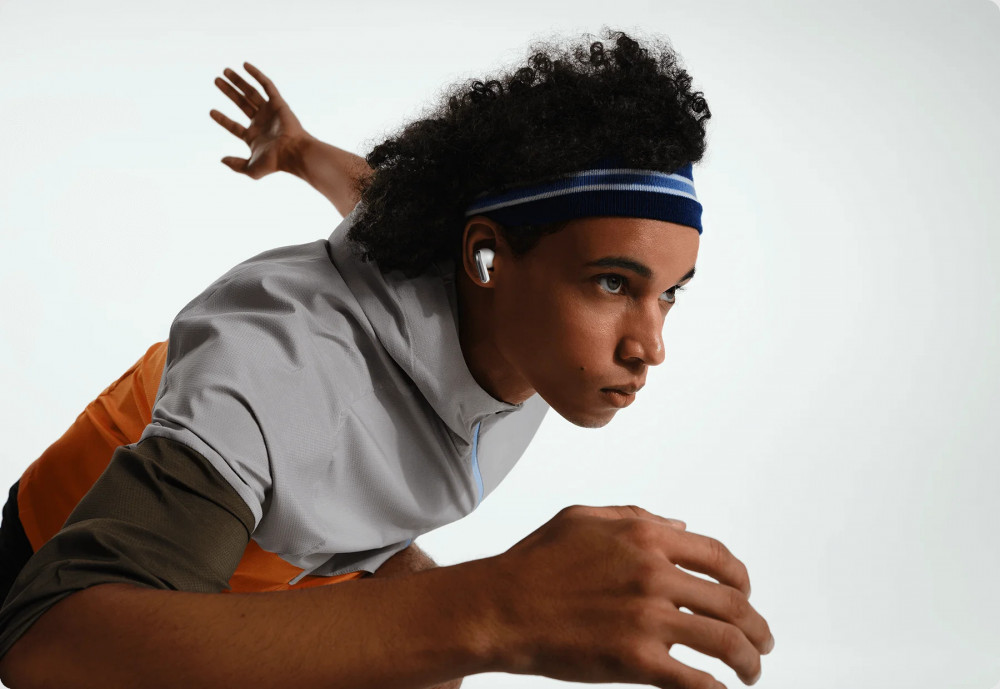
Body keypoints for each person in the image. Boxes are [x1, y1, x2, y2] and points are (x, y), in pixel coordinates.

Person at [0, 29, 774, 689]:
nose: (650, 346)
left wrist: (299, 151)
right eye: (612, 282)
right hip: (91, 545)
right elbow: (51, 641)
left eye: (669, 292)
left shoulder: (483, 275)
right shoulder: (285, 370)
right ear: (487, 257)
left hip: (298, 535)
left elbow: (382, 196)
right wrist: (501, 606)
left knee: (433, 661)